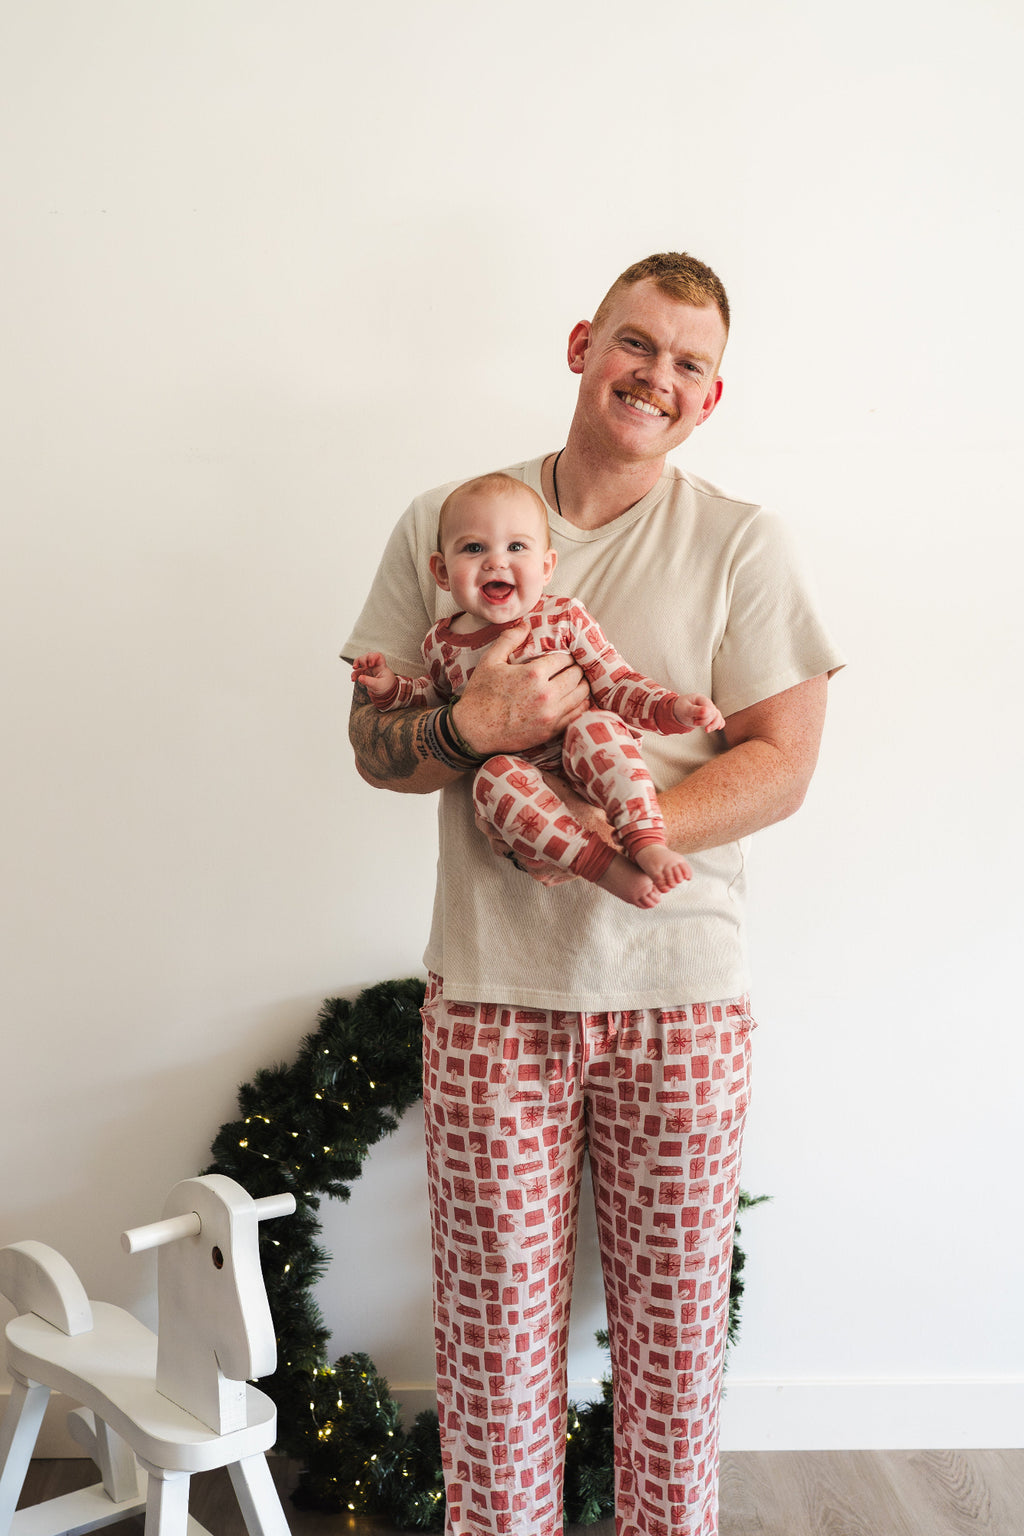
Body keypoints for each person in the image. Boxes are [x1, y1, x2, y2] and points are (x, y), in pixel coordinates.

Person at [344, 252, 843, 1536]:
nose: (654, 376)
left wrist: (614, 834)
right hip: (491, 996)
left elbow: (781, 764)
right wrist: (471, 727)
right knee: (492, 1344)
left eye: (687, 363)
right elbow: (374, 747)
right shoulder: (452, 520)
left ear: (710, 397)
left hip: (681, 997)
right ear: (582, 345)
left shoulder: (742, 541)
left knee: (673, 1346)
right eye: (635, 343)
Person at [350, 471, 725, 909]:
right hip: (524, 781)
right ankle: (603, 866)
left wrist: (672, 708)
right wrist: (390, 689)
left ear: (546, 567)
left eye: (516, 547)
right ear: (442, 572)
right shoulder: (439, 644)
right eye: (473, 548)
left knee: (598, 726)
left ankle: (645, 839)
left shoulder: (563, 618)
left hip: (587, 760)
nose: (495, 562)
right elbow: (434, 699)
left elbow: (616, 681)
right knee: (492, 778)